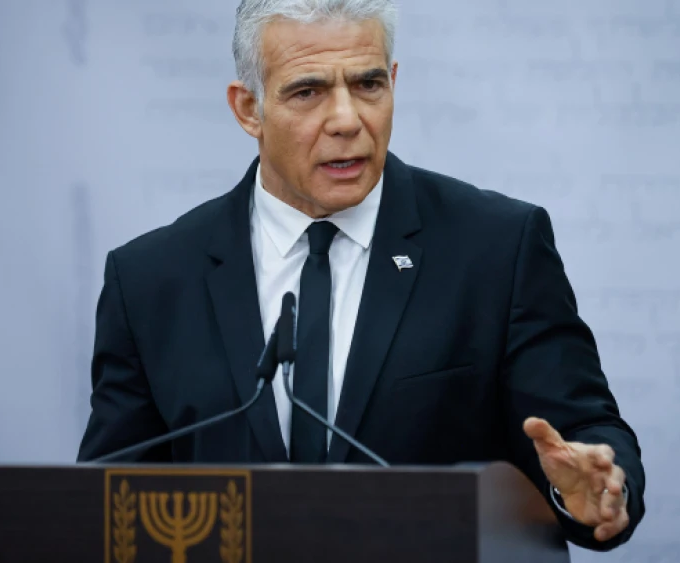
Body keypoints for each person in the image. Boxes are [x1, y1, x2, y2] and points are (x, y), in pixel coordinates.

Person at [77, 0, 645, 551]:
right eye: (308, 91)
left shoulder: (497, 248)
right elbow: (105, 507)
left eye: (368, 85)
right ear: (249, 108)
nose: (347, 120)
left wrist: (593, 489)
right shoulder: (151, 281)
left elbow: (581, 432)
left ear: (392, 82)